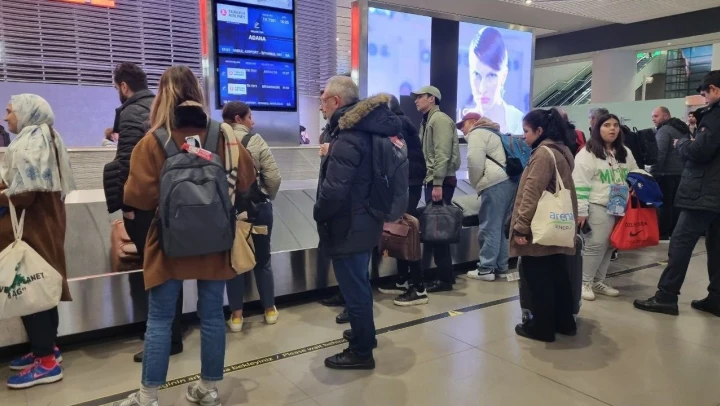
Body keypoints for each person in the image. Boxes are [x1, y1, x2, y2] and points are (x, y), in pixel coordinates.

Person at [114, 66, 256, 406]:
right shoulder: (222, 134)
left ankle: (148, 396)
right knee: (212, 314)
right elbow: (247, 178)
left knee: (161, 319)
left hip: (169, 240)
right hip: (216, 238)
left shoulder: (154, 139)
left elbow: (137, 196)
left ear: (162, 96)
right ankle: (208, 388)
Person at [315, 77, 401, 369]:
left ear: (336, 101)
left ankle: (362, 352)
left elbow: (334, 190)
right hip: (365, 219)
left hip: (348, 223)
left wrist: (319, 212)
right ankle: (365, 334)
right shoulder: (367, 130)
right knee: (359, 283)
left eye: (323, 100)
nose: (321, 106)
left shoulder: (348, 136)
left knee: (354, 290)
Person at [102, 63, 184, 363]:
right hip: (170, 200)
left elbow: (127, 163)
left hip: (144, 205)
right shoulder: (160, 107)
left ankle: (165, 336)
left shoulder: (130, 112)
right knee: (168, 266)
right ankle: (169, 331)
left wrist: (127, 206)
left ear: (124, 86)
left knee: (155, 269)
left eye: (117, 87)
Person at [2, 94, 76, 388]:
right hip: (45, 226)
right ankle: (46, 350)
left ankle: (46, 363)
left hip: (34, 229)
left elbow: (24, 193)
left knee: (31, 289)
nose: (6, 117)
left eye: (10, 111)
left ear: (26, 112)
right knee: (41, 287)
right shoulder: (46, 137)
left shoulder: (32, 141)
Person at [634, 70, 720, 317]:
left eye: (704, 94)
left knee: (681, 242)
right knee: (716, 246)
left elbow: (698, 151)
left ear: (714, 90)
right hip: (714, 190)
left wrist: (682, 144)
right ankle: (717, 298)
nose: (704, 99)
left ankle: (666, 296)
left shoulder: (714, 116)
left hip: (703, 191)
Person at [511, 108, 578, 343]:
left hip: (539, 226)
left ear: (539, 131)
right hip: (558, 224)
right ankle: (565, 322)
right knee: (558, 274)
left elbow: (532, 192)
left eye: (526, 131)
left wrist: (521, 226)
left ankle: (542, 327)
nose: (524, 136)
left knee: (538, 277)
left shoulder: (542, 153)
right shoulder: (563, 150)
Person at [222, 101, 281, 332]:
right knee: (263, 260)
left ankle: (237, 316)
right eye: (249, 117)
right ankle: (269, 310)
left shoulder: (218, 141)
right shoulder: (256, 141)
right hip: (258, 209)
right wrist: (265, 195)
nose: (252, 122)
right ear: (238, 119)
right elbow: (273, 177)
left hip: (229, 213)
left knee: (234, 262)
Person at [574, 113, 639, 301]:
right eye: (607, 125)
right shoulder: (587, 153)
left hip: (619, 205)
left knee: (611, 245)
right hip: (597, 205)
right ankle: (584, 283)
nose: (612, 129)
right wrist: (581, 210)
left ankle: (598, 281)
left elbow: (635, 171)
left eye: (615, 125)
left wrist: (636, 184)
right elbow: (580, 183)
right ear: (598, 129)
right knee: (595, 244)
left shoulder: (624, 152)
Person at [378, 94, 428, 306]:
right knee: (400, 230)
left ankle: (418, 287)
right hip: (407, 182)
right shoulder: (400, 122)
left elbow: (395, 158)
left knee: (407, 231)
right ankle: (403, 279)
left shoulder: (397, 124)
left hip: (407, 183)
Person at [412, 85, 461, 292]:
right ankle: (444, 276)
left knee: (439, 230)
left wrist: (438, 183)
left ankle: (445, 279)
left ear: (432, 98)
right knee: (436, 229)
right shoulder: (428, 120)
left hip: (440, 181)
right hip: (433, 179)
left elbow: (442, 153)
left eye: (420, 97)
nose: (416, 100)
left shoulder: (439, 120)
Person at [458, 112, 517, 282]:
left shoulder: (478, 133)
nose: (462, 129)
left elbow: (474, 162)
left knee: (490, 226)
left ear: (473, 122)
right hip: (510, 181)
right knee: (502, 226)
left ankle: (486, 269)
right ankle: (501, 267)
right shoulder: (495, 133)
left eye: (463, 125)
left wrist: (477, 183)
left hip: (494, 183)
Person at [461, 27, 524, 134]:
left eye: (491, 75)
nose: (482, 88)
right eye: (476, 74)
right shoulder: (463, 123)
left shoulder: (518, 121)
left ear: (503, 76)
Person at [650, 106, 689, 240]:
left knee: (665, 205)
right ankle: (673, 231)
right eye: (652, 116)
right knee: (676, 204)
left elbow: (659, 154)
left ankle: (663, 233)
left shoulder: (664, 130)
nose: (653, 119)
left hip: (666, 174)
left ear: (666, 116)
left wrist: (653, 173)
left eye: (656, 116)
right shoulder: (682, 130)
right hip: (681, 173)